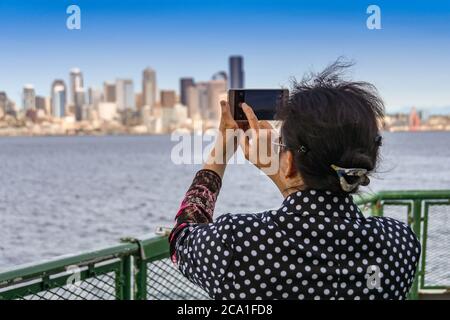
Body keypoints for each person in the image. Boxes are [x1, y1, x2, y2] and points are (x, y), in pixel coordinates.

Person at [168, 61, 421, 300]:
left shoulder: (238, 242)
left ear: (288, 163)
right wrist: (287, 169)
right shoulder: (399, 245)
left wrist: (222, 151)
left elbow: (181, 238)